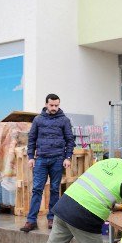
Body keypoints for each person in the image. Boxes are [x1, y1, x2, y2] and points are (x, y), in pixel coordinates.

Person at [21, 93, 76, 232]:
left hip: (57, 159)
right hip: (41, 159)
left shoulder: (64, 120)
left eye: (56, 105)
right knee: (37, 189)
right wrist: (31, 157)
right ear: (46, 104)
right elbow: (32, 139)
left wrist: (67, 157)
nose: (54, 108)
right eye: (51, 105)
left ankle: (52, 219)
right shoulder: (38, 120)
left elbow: (70, 140)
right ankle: (31, 220)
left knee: (54, 189)